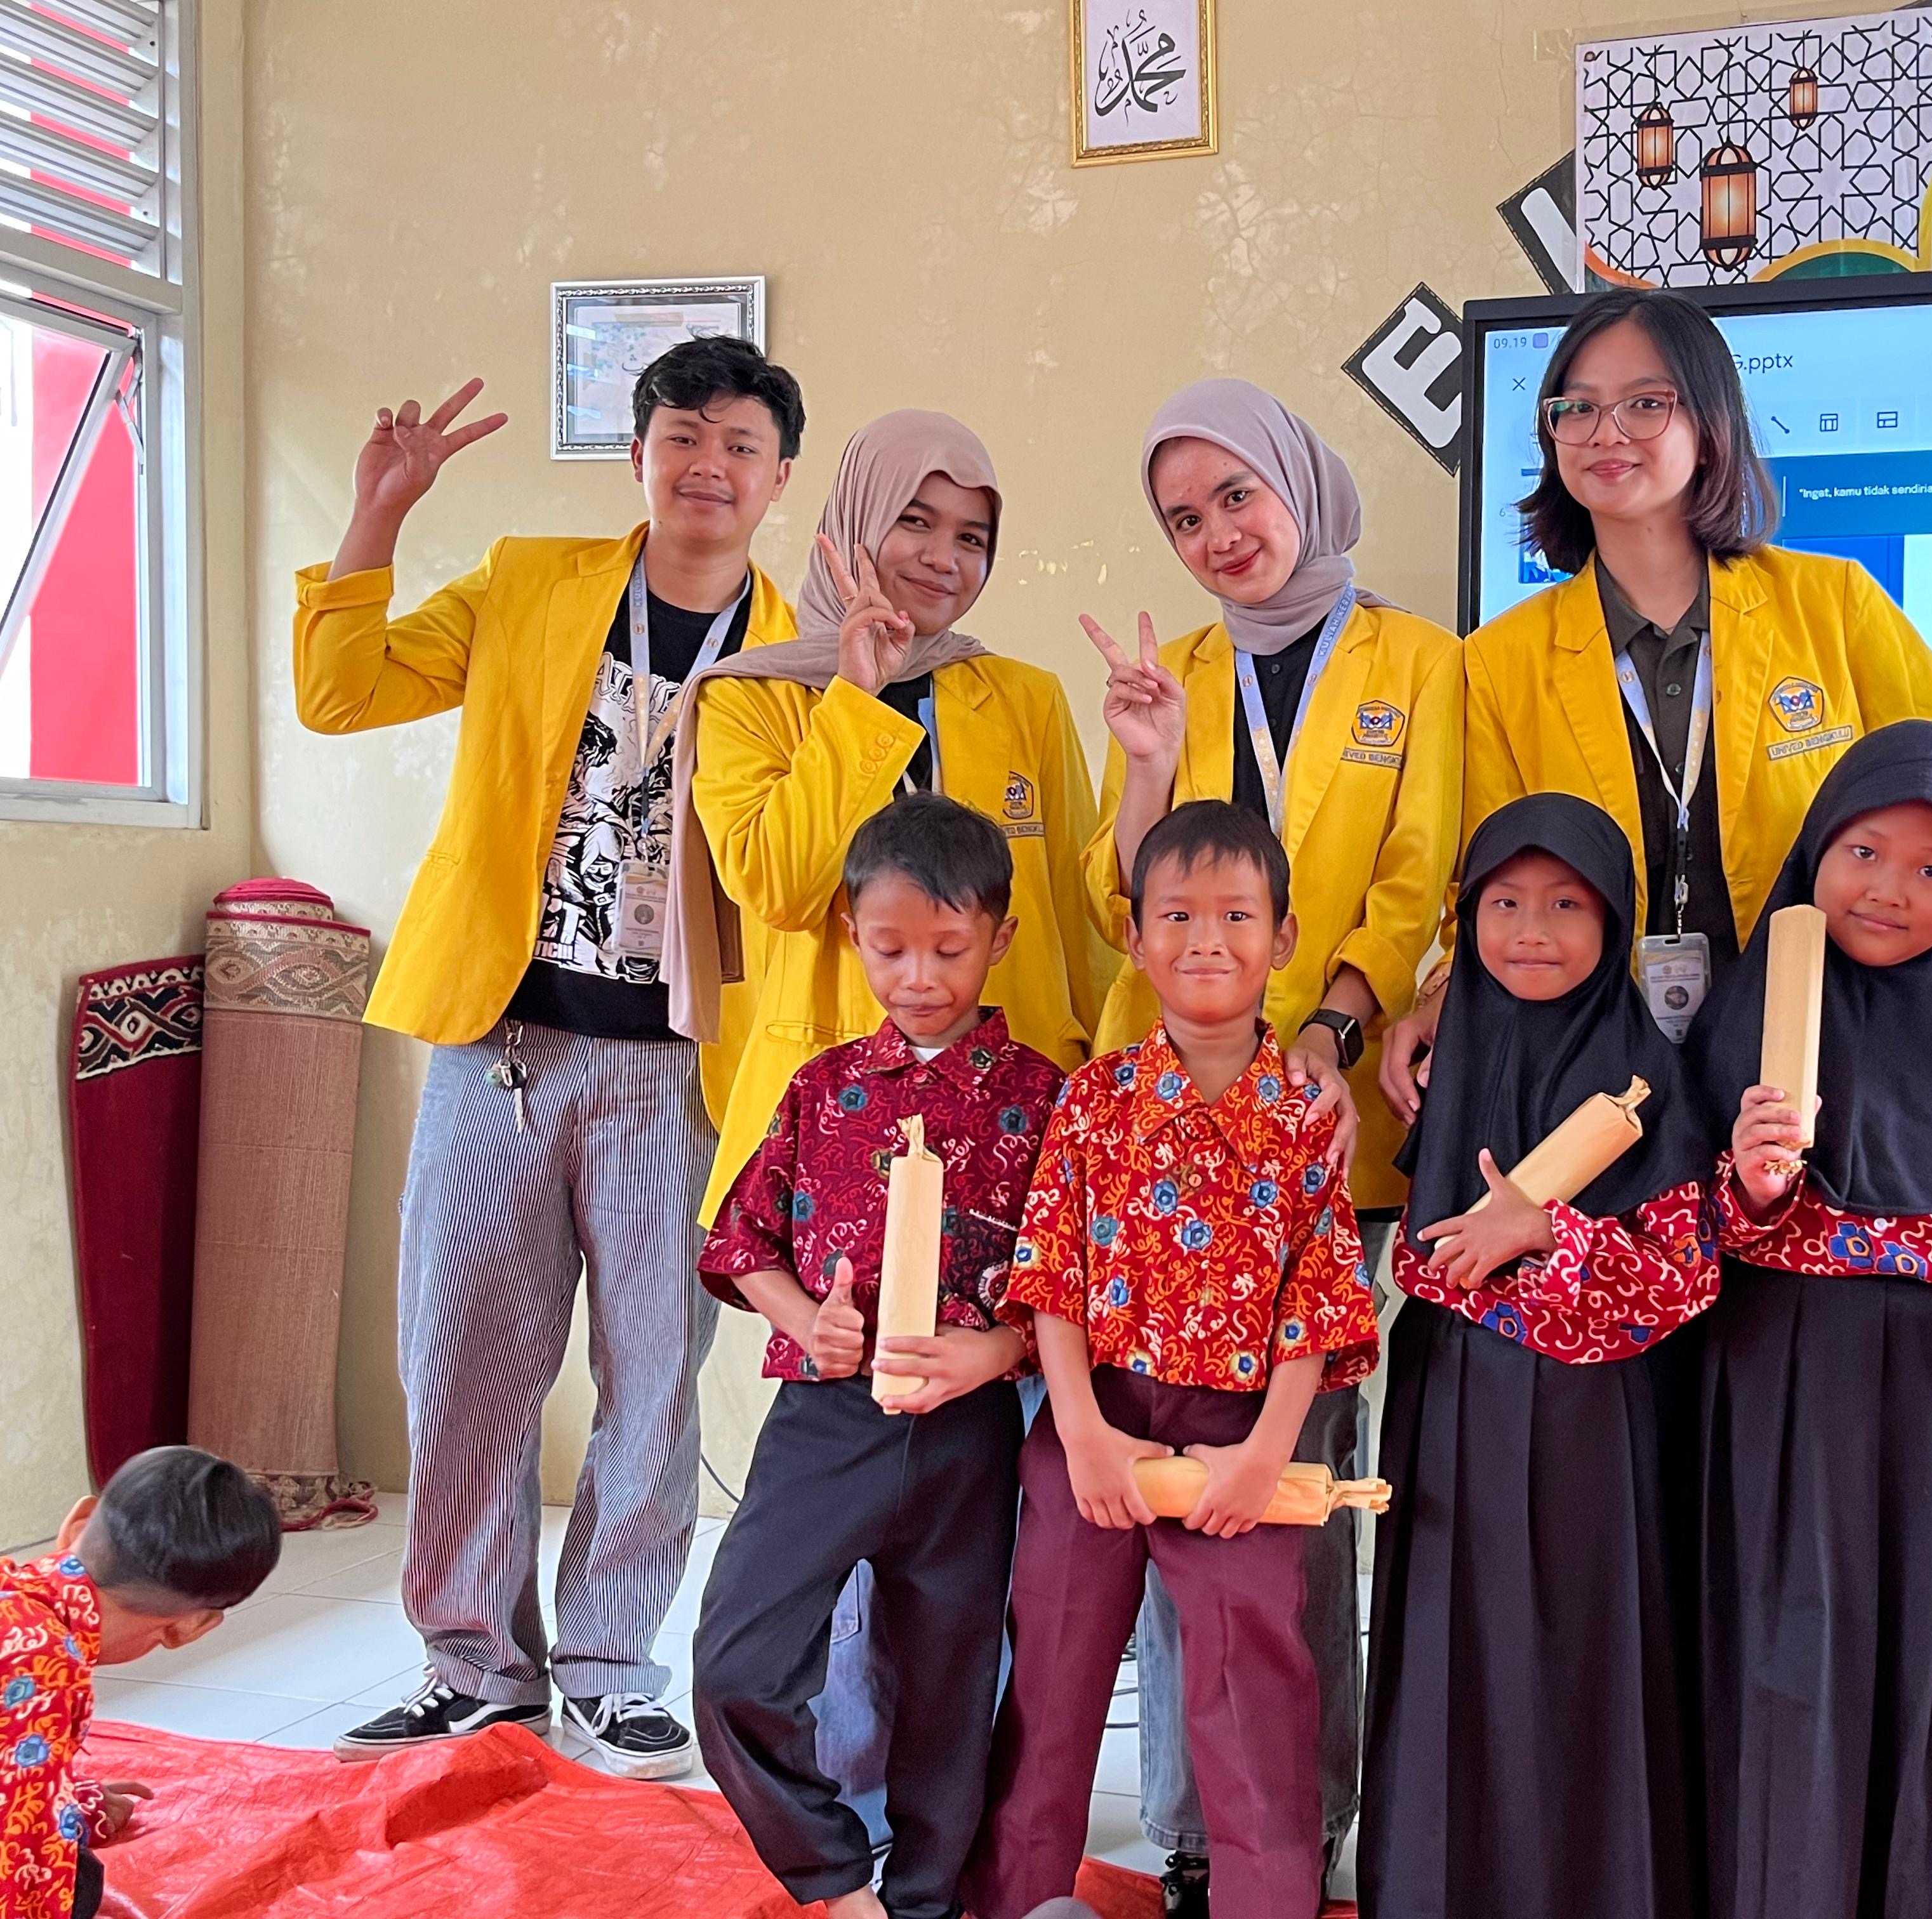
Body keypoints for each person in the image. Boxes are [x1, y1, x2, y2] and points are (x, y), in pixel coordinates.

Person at [297, 337, 807, 1774]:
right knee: (460, 1367)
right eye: (683, 434)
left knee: (652, 1379)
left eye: (741, 446)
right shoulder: (534, 582)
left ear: (778, 480)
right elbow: (344, 693)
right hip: (496, 1045)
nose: (709, 465)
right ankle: (472, 1662)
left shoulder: (810, 647)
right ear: (641, 451)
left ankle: (610, 1663)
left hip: (681, 1070)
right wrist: (379, 516)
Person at [1380, 287, 1932, 1111]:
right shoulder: (1497, 661)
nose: (1606, 432)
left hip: (1821, 1064)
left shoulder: (1833, 605)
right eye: (1576, 407)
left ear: (1710, 427)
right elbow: (1493, 877)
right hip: (1607, 1075)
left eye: (1646, 403)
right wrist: (1442, 999)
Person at [1080, 378, 1459, 1904]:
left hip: (1329, 1134)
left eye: (1238, 496)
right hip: (1168, 1155)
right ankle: (1187, 1839)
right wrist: (1154, 768)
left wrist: (1330, 1036)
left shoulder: (1417, 663)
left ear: (1300, 484)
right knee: (1181, 1506)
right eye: (1184, 517)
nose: (1216, 536)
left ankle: (1292, 1837)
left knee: (1297, 1504)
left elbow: (1422, 877)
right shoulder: (1165, 673)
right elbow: (1138, 903)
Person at [963, 801, 1380, 1919]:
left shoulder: (1305, 1113)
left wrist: (1263, 1455)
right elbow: (1047, 1273)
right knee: (1050, 1673)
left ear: (1282, 936)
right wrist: (1084, 1434)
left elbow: (1322, 1299)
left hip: (1244, 1436)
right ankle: (1016, 1897)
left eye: (1236, 915)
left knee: (1252, 1689)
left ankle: (1265, 1900)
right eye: (1178, 915)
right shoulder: (1095, 1099)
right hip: (1092, 1421)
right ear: (1135, 936)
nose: (1207, 939)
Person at [1694, 721, 1932, 1919]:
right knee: (1792, 1651)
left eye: (1931, 869)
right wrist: (1751, 1184)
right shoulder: (1749, 1005)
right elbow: (1679, 1221)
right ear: (1816, 848)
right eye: (1862, 849)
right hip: (1784, 1375)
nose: (1889, 889)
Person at [691, 796, 1062, 1919]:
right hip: (829, 1424)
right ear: (852, 933)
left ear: (999, 937)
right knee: (738, 1660)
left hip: (970, 1437)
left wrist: (994, 1347)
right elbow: (738, 1239)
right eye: (888, 946)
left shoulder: (1047, 1099)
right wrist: (805, 1318)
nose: (917, 975)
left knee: (949, 1693)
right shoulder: (821, 1088)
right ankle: (832, 1877)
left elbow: (1078, 1282)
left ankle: (924, 1899)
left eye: (948, 949)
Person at [1360, 793, 1719, 1919]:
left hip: (1595, 1415)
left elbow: (1688, 1272)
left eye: (1567, 904)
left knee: (1585, 1657)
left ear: (1615, 920)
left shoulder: (1649, 1069)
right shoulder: (1440, 1048)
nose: (1530, 930)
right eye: (1503, 903)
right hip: (1452, 1396)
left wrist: (1546, 1231)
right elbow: (1419, 1246)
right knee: (1453, 1647)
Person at [673, 409, 1108, 1216]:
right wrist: (854, 701)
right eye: (916, 522)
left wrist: (1112, 1098)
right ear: (857, 522)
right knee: (834, 1345)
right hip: (832, 1120)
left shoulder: (1025, 698)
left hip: (1017, 1117)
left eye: (973, 538)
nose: (945, 559)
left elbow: (1081, 930)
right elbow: (782, 887)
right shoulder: (748, 696)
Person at [2, 1448, 281, 1919]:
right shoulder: (45, 1666)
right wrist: (62, 1820)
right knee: (80, 1879)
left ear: (78, 1521)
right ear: (189, 1627)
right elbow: (18, 1849)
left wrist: (67, 1797)